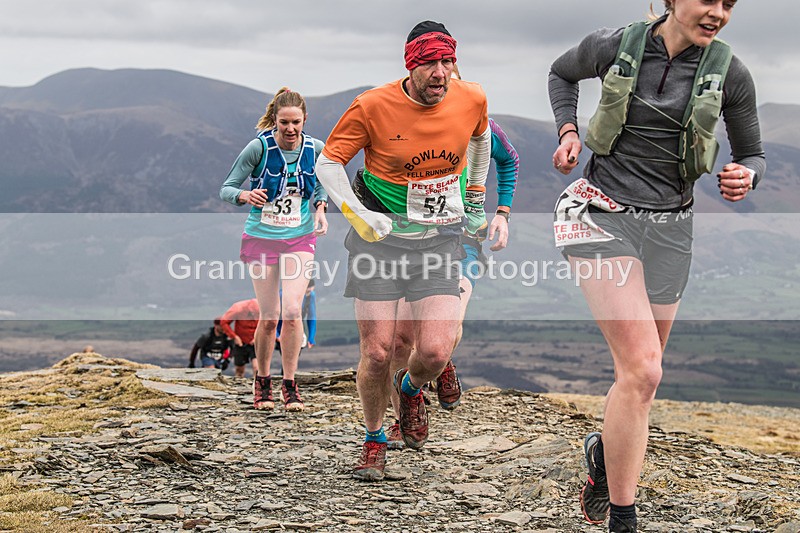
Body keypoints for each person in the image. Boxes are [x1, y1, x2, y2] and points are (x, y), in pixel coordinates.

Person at [548, 1, 765, 531]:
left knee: (638, 379)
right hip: (599, 214)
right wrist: (568, 131)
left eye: (729, 3)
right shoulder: (615, 45)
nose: (718, 12)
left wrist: (747, 176)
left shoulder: (730, 72)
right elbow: (561, 72)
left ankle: (605, 455)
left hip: (671, 229)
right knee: (644, 367)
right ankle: (623, 518)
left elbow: (752, 152)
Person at [315, 20, 492, 481]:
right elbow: (329, 164)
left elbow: (480, 137)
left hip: (439, 238)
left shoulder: (471, 96)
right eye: (430, 63)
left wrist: (475, 194)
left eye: (447, 61)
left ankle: (411, 388)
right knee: (378, 350)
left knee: (433, 351)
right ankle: (374, 438)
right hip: (380, 243)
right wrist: (357, 213)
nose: (441, 73)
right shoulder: (372, 106)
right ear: (410, 65)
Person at [386, 114, 520, 448]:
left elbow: (509, 160)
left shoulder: (482, 128)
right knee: (402, 337)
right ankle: (399, 418)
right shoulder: (404, 124)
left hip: (462, 240)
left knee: (448, 321)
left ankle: (416, 383)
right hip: (411, 240)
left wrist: (503, 213)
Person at [220, 87, 328, 412]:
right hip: (262, 237)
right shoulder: (258, 149)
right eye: (284, 123)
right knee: (269, 318)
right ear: (275, 121)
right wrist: (244, 196)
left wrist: (321, 206)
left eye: (296, 122)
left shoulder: (316, 148)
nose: (291, 129)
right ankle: (263, 381)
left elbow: (324, 181)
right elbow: (227, 187)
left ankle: (290, 384)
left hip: (299, 236)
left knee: (293, 312)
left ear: (305, 120)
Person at [219, 298, 259, 379]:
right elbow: (224, 322)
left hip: (257, 342)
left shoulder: (264, 308)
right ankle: (240, 388)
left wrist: (258, 337)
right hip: (240, 342)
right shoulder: (238, 308)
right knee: (239, 370)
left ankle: (257, 387)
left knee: (257, 368)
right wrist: (234, 336)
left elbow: (270, 324)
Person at [276, 278, 318, 349]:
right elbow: (274, 316)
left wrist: (311, 338)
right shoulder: (283, 295)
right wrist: (276, 335)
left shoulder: (310, 295)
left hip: (297, 326)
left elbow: (311, 317)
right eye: (306, 291)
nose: (307, 293)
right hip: (281, 326)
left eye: (309, 291)